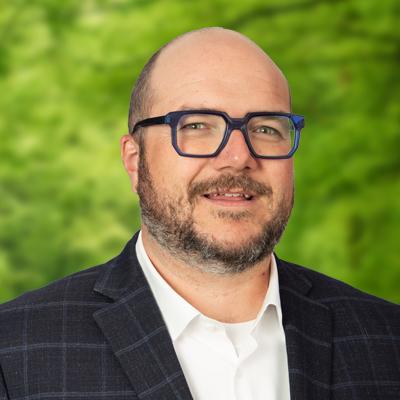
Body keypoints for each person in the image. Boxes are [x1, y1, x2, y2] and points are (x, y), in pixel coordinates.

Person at [0, 27, 398, 400]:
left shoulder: (387, 341)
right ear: (135, 161)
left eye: (266, 129)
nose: (239, 157)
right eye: (196, 125)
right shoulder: (15, 352)